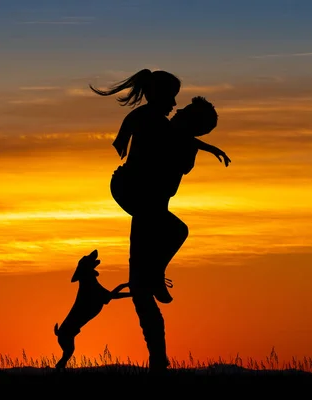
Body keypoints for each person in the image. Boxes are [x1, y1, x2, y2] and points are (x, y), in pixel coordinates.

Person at [89, 70, 230, 374]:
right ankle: (155, 283)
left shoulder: (171, 132)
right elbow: (169, 138)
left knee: (143, 286)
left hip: (148, 208)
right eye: (178, 103)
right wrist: (208, 147)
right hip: (138, 197)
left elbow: (179, 142)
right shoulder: (152, 122)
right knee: (173, 236)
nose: (177, 106)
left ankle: (157, 358)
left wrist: (200, 145)